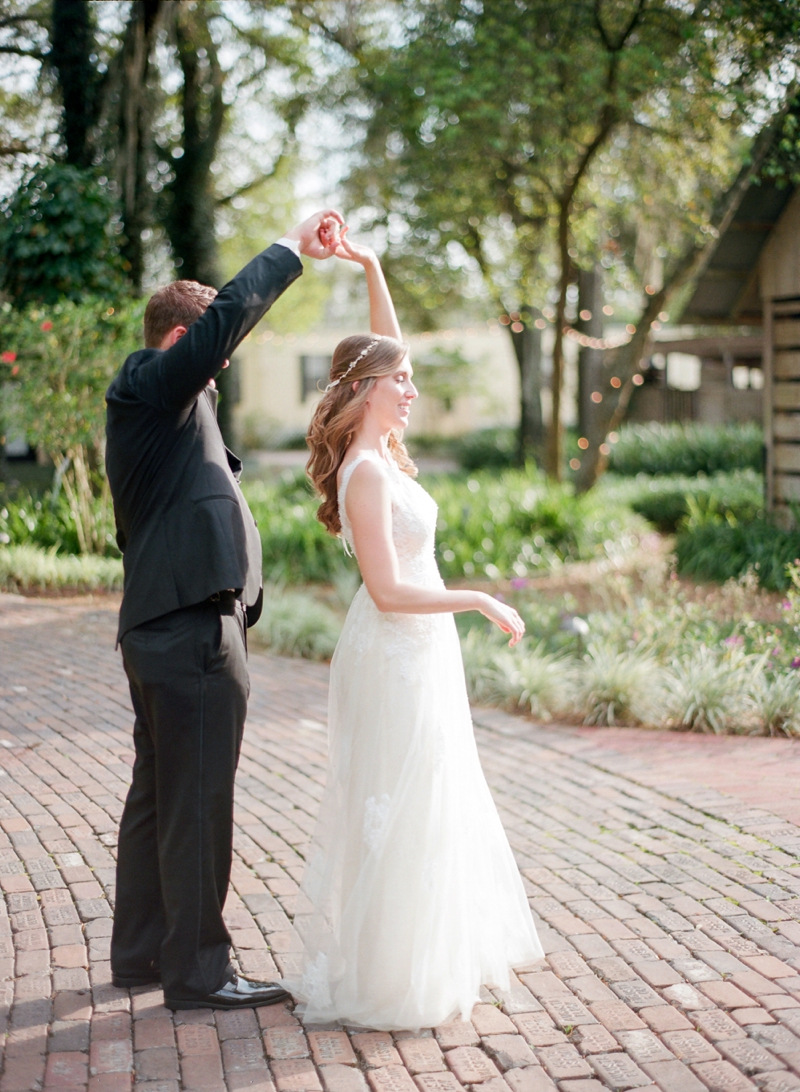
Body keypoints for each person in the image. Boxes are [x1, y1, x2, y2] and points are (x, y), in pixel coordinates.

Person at [292, 228, 543, 1031]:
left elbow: (385, 346)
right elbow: (390, 591)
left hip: (422, 654)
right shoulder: (366, 473)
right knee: (398, 803)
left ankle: (433, 956)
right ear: (367, 392)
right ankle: (394, 977)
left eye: (409, 378)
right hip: (395, 649)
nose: (411, 389)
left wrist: (369, 265)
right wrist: (477, 599)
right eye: (398, 381)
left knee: (433, 799)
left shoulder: (388, 451)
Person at [105, 210, 343, 1012]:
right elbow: (214, 338)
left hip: (164, 627)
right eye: (214, 356)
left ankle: (141, 953)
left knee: (158, 795)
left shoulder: (160, 420)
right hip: (188, 632)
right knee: (199, 799)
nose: (220, 372)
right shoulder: (149, 381)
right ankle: (200, 971)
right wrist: (290, 249)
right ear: (181, 345)